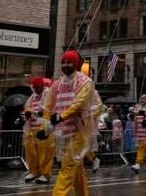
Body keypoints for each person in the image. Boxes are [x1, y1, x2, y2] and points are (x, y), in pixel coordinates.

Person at [44, 51, 97, 196]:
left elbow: (79, 104)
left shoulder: (85, 82)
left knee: (67, 168)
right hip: (63, 132)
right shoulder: (57, 84)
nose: (66, 65)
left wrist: (61, 116)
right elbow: (48, 106)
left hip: (79, 132)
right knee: (76, 167)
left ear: (76, 64)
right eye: (63, 62)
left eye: (69, 62)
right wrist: (46, 127)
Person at [22, 77, 55, 184]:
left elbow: (49, 110)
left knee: (45, 153)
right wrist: (28, 112)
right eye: (34, 87)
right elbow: (27, 106)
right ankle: (34, 171)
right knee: (31, 152)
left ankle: (45, 174)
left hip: (44, 129)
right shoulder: (33, 96)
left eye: (38, 87)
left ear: (42, 86)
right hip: (32, 129)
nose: (36, 89)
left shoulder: (48, 95)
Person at [129, 95, 146, 173]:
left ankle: (138, 163)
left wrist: (144, 115)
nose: (142, 100)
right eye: (141, 98)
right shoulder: (137, 107)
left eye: (144, 98)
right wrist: (132, 115)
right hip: (138, 130)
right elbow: (133, 117)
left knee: (143, 147)